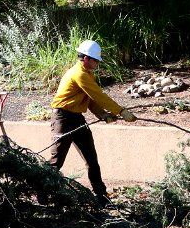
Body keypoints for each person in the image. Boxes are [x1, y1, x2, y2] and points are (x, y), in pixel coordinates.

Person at [49, 40, 136, 206]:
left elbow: (90, 99)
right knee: (56, 161)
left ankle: (101, 197)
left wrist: (102, 114)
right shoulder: (79, 74)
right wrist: (121, 111)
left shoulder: (87, 73)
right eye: (96, 60)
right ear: (86, 58)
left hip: (76, 118)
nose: (97, 63)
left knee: (91, 158)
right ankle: (43, 193)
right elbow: (99, 95)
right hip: (62, 118)